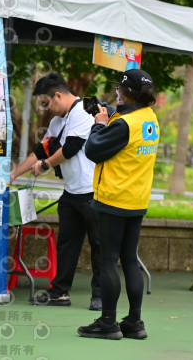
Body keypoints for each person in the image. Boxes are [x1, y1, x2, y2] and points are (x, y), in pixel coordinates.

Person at [77, 68, 159, 340]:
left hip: (114, 198)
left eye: (120, 89)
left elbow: (93, 149)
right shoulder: (149, 118)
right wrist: (109, 113)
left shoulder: (123, 125)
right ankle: (134, 321)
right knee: (130, 260)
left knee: (109, 259)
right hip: (137, 199)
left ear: (128, 92)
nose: (117, 93)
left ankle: (108, 322)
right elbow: (128, 126)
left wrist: (99, 124)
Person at [10, 72, 102, 310]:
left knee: (100, 245)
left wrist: (46, 165)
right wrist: (14, 174)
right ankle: (59, 292)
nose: (46, 108)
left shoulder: (83, 112)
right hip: (71, 193)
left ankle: (100, 296)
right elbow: (40, 151)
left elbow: (71, 148)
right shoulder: (56, 122)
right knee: (67, 244)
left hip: (93, 191)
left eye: (46, 103)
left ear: (58, 96)